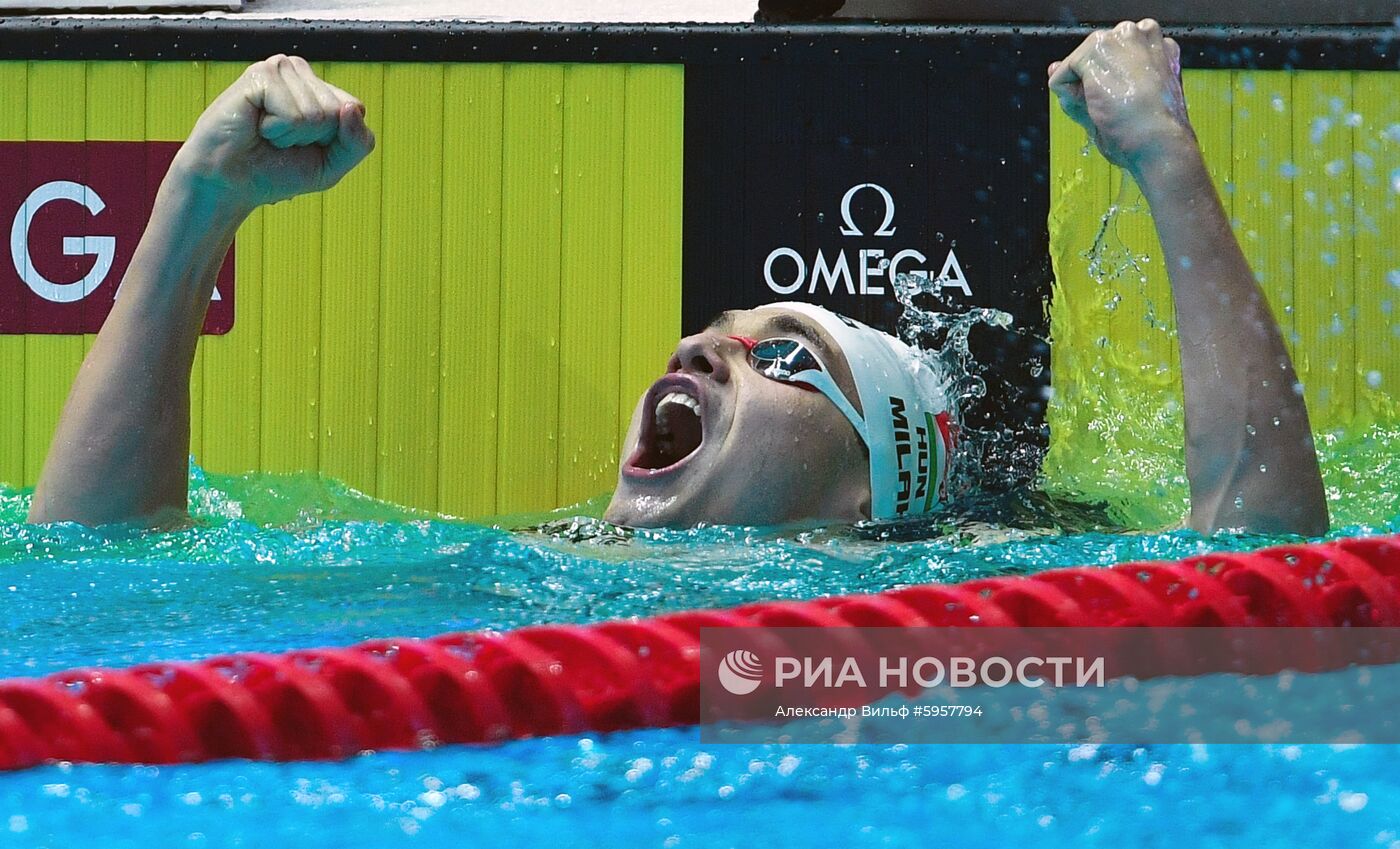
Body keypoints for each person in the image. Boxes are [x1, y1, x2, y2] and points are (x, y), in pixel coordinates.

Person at [25, 21, 1330, 537]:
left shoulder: (934, 624)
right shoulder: (515, 572)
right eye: (707, 338)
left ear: (872, 483)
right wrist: (196, 206)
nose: (700, 351)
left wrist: (1162, 158)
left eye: (779, 353)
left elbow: (1263, 568)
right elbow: (92, 581)